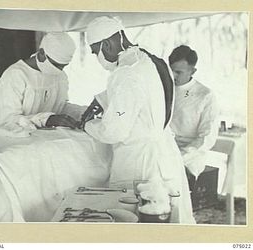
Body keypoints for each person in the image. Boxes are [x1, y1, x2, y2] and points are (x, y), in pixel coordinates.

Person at [83, 16, 195, 224]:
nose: (96, 57)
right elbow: (144, 92)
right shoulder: (153, 60)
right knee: (168, 224)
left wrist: (87, 125)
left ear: (106, 44)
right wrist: (101, 99)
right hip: (164, 155)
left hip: (140, 163)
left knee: (136, 228)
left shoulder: (125, 73)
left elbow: (113, 132)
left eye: (94, 51)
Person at [0, 32, 86, 137]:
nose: (59, 70)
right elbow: (6, 121)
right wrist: (45, 120)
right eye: (56, 65)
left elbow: (60, 107)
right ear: (41, 53)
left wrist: (81, 113)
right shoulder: (15, 76)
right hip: (17, 141)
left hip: (45, 140)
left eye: (63, 66)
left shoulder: (60, 76)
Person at [169, 45, 220, 181]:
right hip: (165, 148)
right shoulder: (165, 90)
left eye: (178, 72)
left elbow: (206, 137)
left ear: (192, 71)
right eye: (171, 71)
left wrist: (182, 155)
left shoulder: (205, 95)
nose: (173, 76)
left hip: (191, 155)